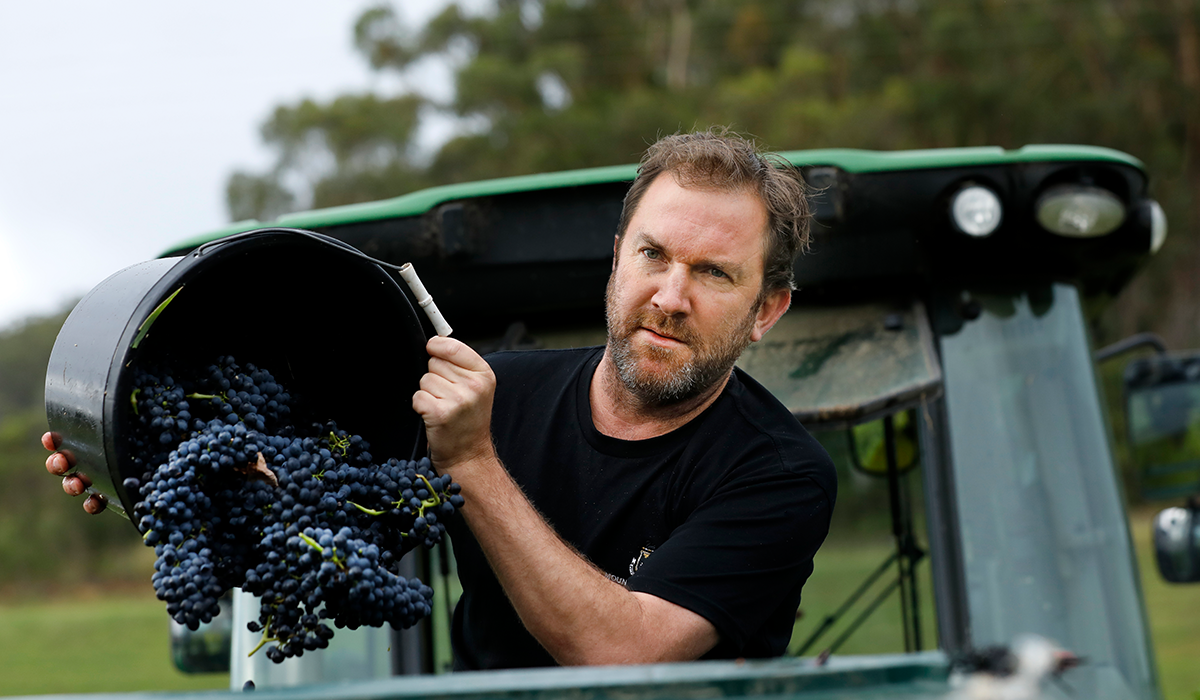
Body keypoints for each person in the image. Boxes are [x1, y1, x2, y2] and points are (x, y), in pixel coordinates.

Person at [45, 128, 836, 669]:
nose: (668, 295)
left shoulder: (777, 475)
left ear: (767, 309)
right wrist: (139, 467)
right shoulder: (501, 393)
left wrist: (473, 461)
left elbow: (622, 652)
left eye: (713, 272)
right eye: (653, 254)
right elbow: (315, 523)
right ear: (617, 257)